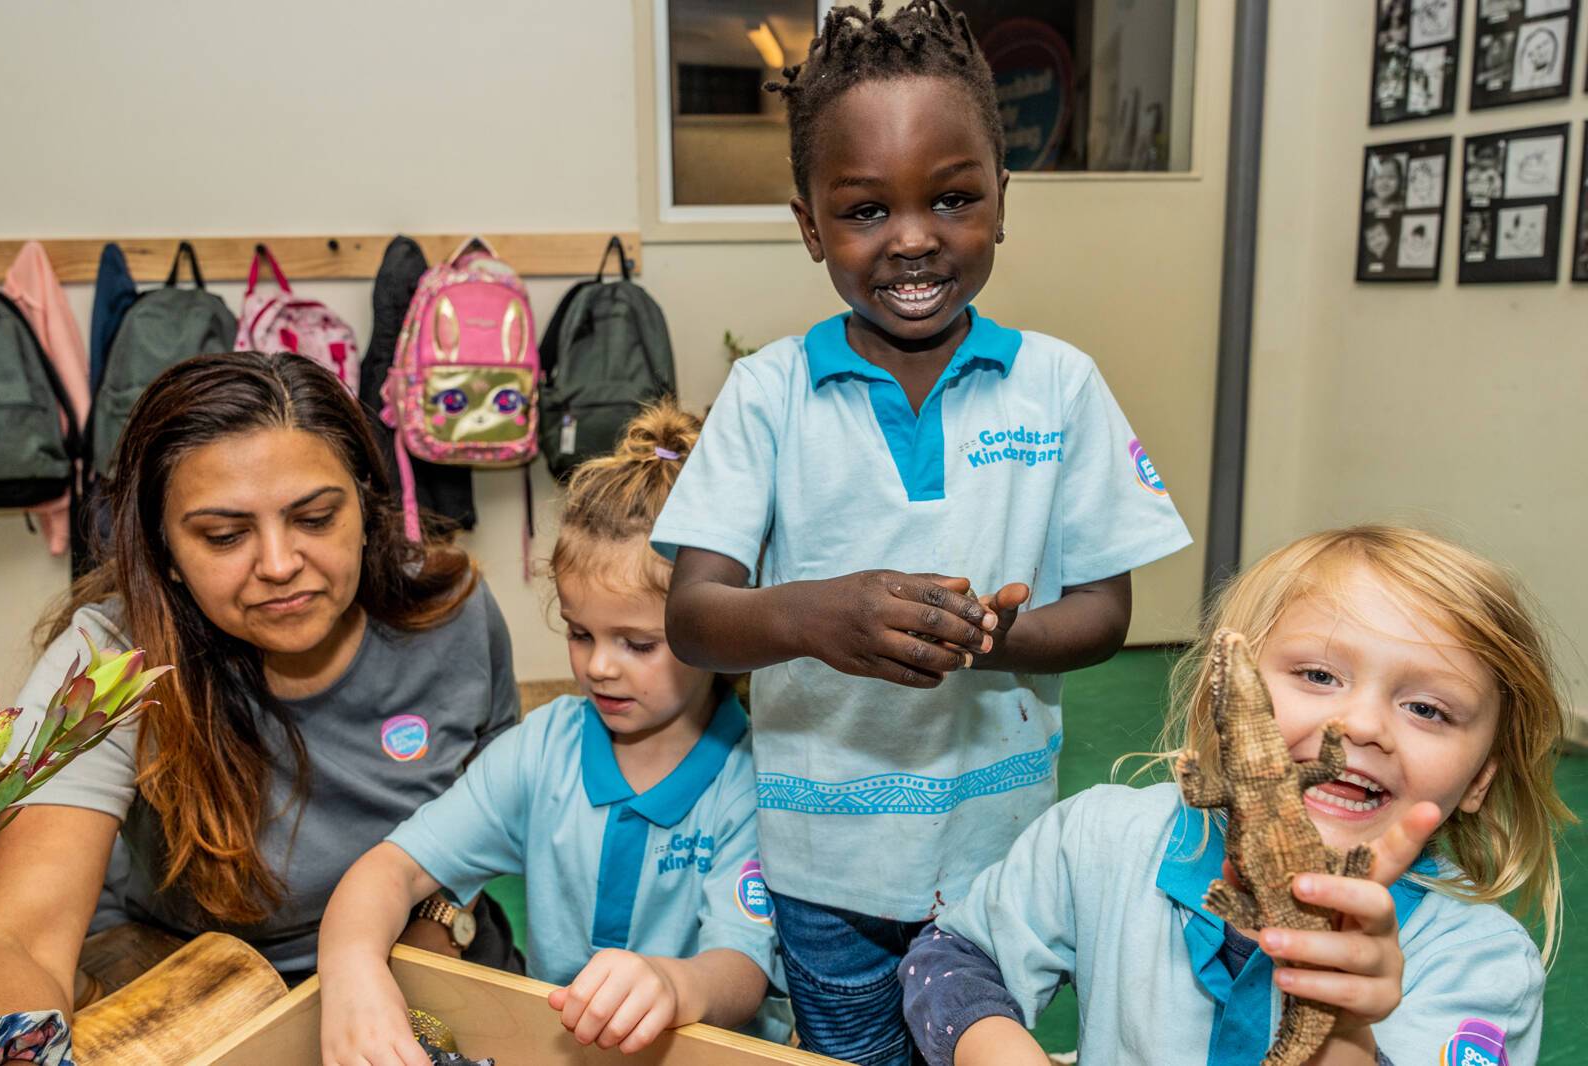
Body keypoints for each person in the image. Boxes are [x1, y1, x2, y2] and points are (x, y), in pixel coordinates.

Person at [650, 4, 1191, 1063]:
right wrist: (815, 614)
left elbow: (1104, 614)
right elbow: (694, 618)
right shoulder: (769, 395)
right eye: (863, 209)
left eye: (952, 198)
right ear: (811, 224)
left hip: (1001, 862)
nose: (911, 236)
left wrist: (990, 635)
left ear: (1001, 200)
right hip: (822, 868)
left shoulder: (1059, 385)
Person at [901, 526, 1572, 1066]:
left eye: (1427, 709)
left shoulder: (1482, 966)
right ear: (1223, 697)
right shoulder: (1100, 838)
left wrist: (1341, 1030)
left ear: (1481, 778)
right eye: (1318, 674)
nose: (1363, 727)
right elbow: (954, 960)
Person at [0, 351, 521, 1021]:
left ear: (364, 503)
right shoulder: (111, 661)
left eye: (316, 519)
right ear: (165, 553)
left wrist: (439, 925)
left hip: (427, 954)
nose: (279, 565)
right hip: (206, 990)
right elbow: (19, 941)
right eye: (225, 534)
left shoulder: (453, 613)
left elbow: (499, 796)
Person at [318, 401, 788, 1066]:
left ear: (721, 631)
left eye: (638, 643)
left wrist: (673, 984)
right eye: (580, 632)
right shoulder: (542, 751)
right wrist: (351, 973)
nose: (598, 666)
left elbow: (740, 968)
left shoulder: (754, 777)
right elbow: (389, 871)